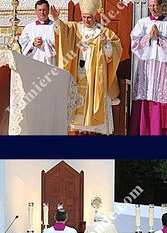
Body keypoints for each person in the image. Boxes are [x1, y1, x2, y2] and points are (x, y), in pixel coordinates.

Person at [50, 0, 122, 135]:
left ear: (95, 16)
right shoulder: (76, 28)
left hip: (94, 75)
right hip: (77, 71)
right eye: (84, 17)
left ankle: (92, 133)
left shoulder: (103, 32)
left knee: (92, 111)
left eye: (89, 17)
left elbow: (112, 54)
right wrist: (56, 19)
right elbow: (63, 31)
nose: (86, 20)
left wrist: (106, 43)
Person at [129, 0, 167, 135]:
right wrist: (148, 36)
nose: (153, 8)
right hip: (146, 65)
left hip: (163, 66)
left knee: (163, 95)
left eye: (156, 5)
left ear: (161, 6)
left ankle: (164, 133)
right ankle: (143, 131)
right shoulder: (142, 23)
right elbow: (134, 44)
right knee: (144, 93)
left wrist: (159, 38)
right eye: (151, 5)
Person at [19, 0, 56, 65]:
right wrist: (33, 44)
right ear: (36, 11)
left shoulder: (55, 26)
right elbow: (23, 43)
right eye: (39, 10)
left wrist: (44, 43)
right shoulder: (29, 27)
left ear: (48, 11)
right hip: (33, 61)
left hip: (50, 62)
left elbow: (59, 43)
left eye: (44, 10)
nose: (42, 12)